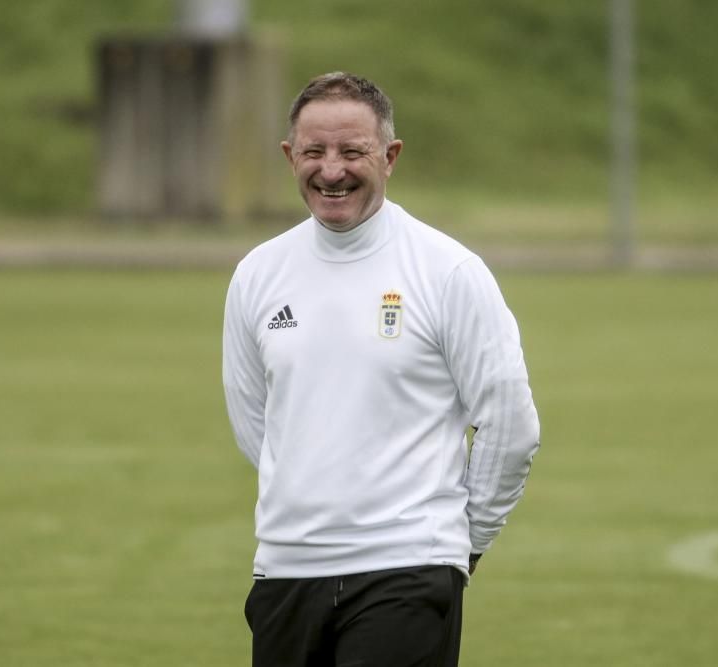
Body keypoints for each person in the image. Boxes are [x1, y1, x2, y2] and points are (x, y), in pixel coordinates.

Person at [222, 72, 540, 667]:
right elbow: (257, 425)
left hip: (408, 572)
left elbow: (509, 422)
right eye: (314, 152)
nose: (332, 170)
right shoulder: (257, 275)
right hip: (286, 572)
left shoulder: (448, 272)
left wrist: (458, 543)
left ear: (390, 157)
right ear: (291, 157)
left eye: (352, 151)